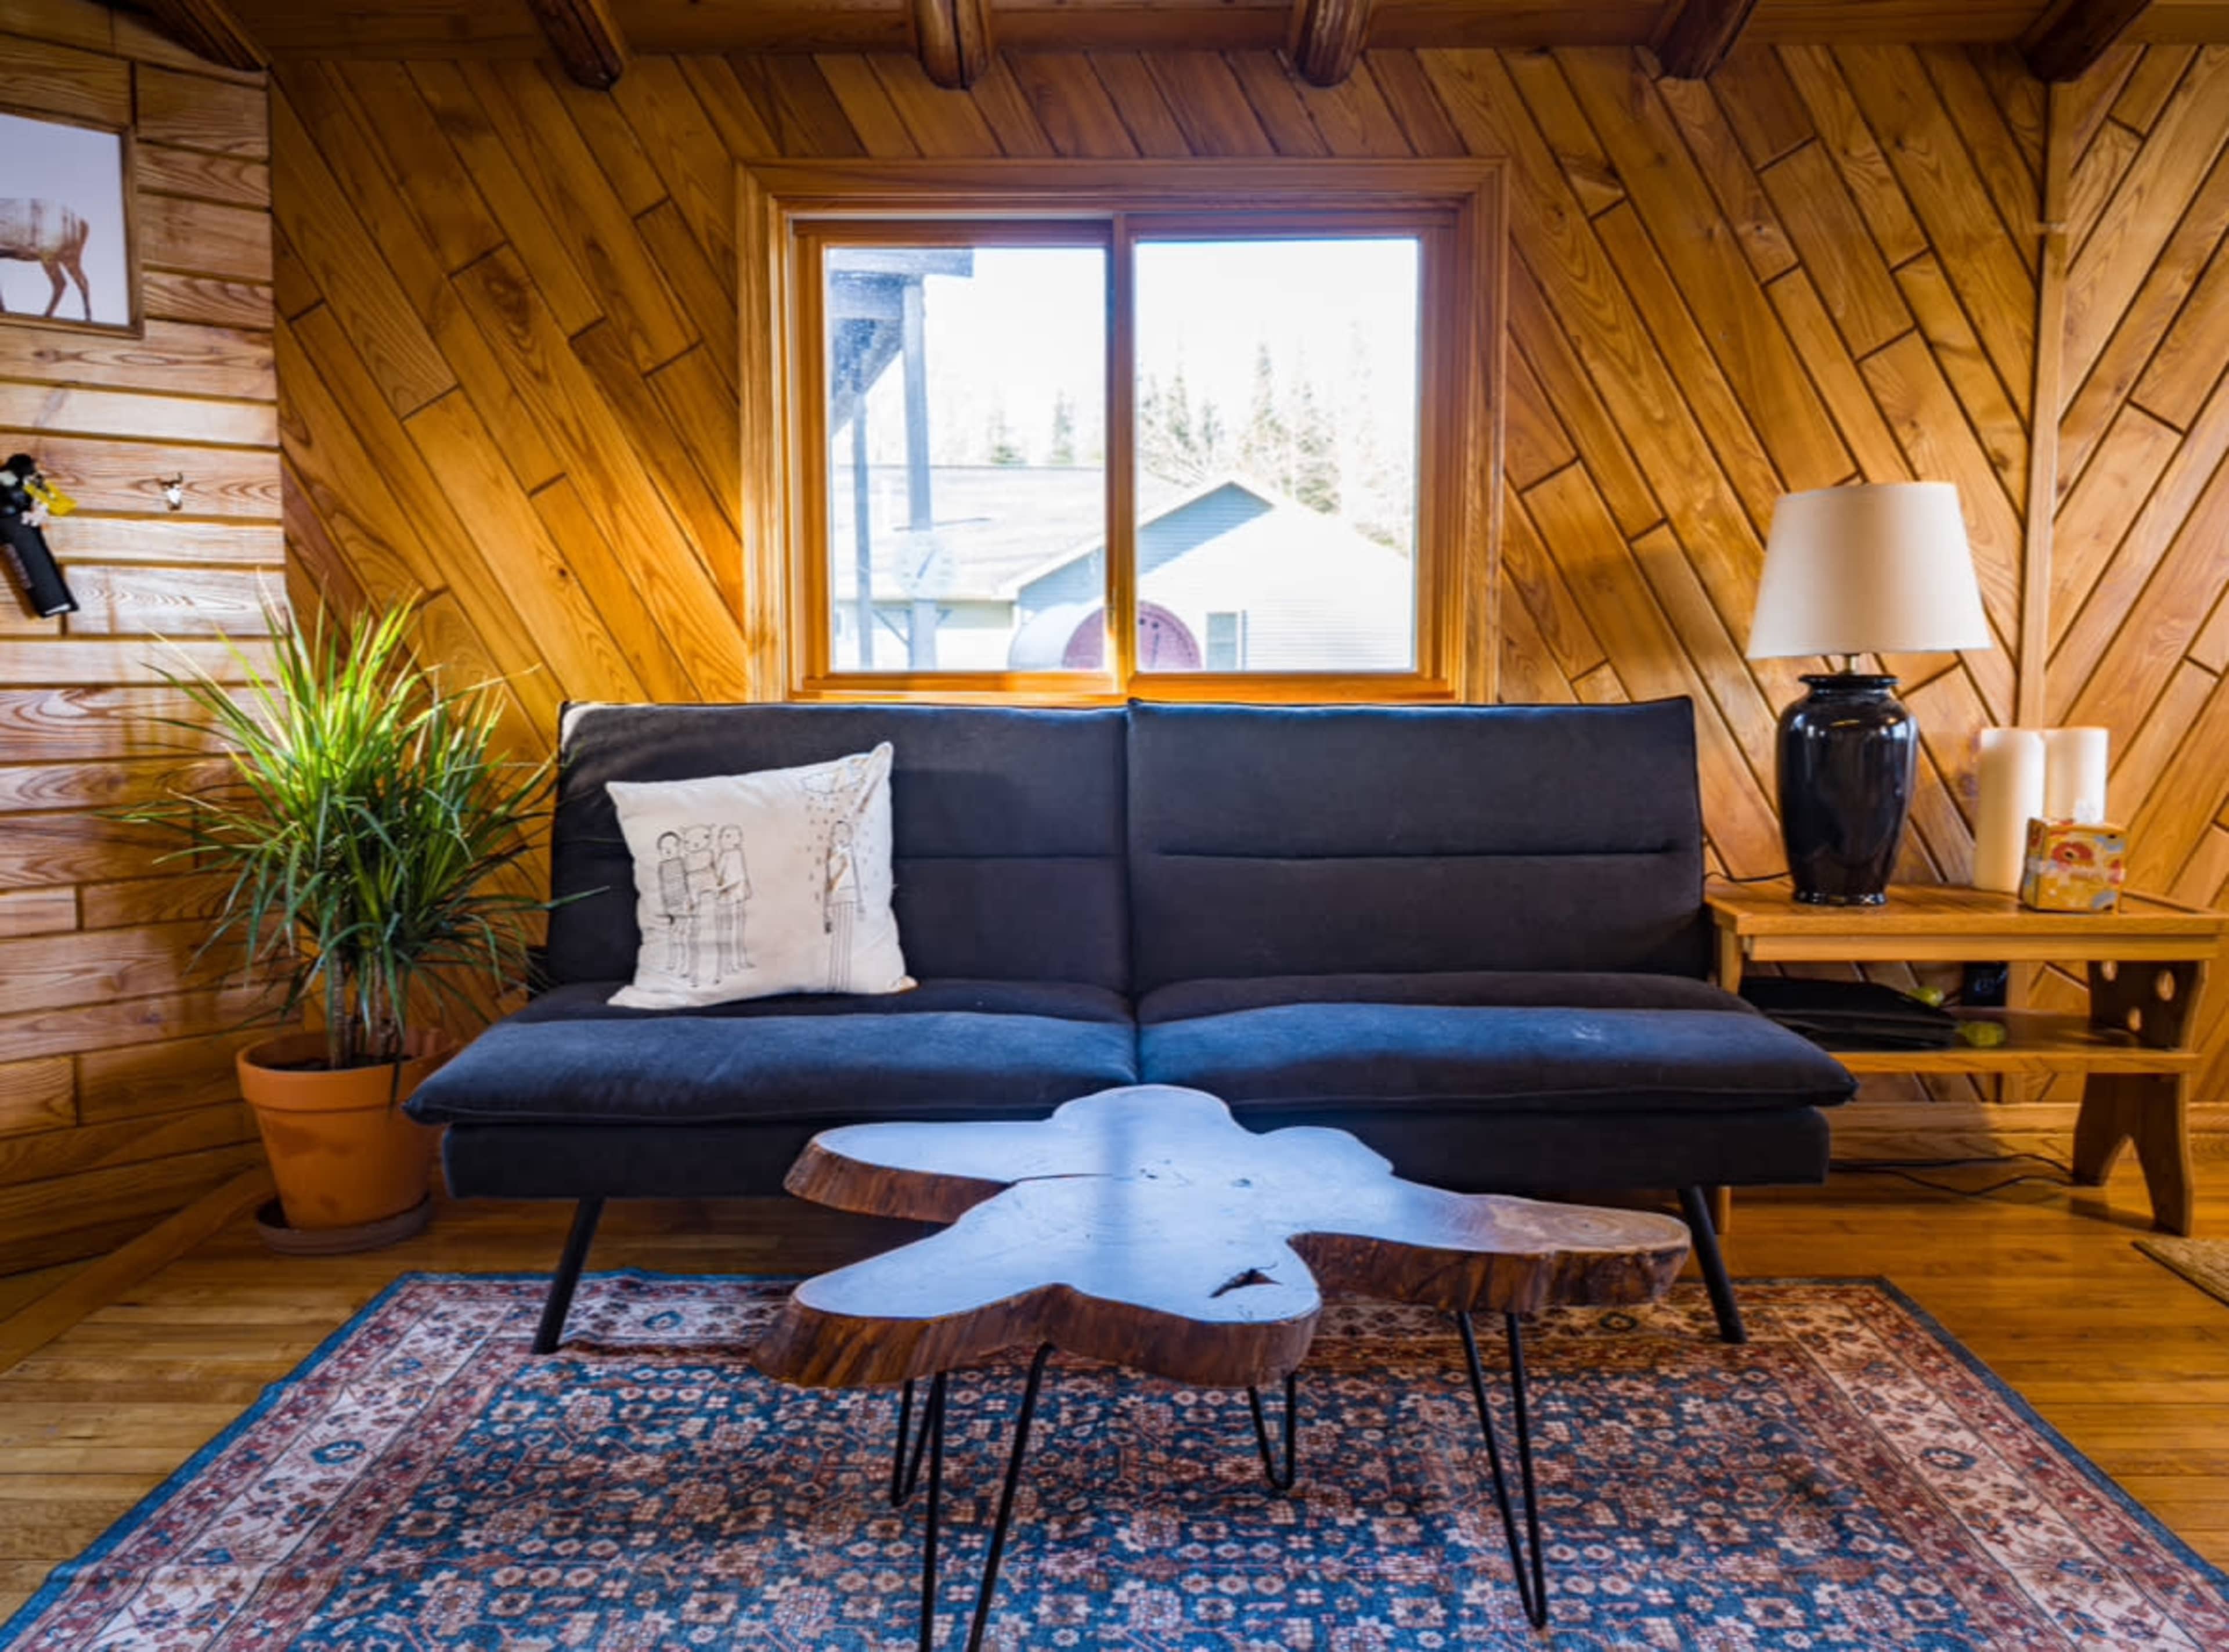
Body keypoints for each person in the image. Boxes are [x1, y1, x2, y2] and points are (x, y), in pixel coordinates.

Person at [713, 823, 752, 976]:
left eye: (734, 836)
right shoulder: (725, 856)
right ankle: (728, 965)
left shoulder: (737, 854)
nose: (730, 839)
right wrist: (720, 889)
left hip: (738, 896)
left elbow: (742, 875)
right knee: (728, 931)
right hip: (727, 897)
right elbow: (720, 876)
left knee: (738, 931)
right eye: (726, 836)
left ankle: (740, 961)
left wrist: (746, 888)